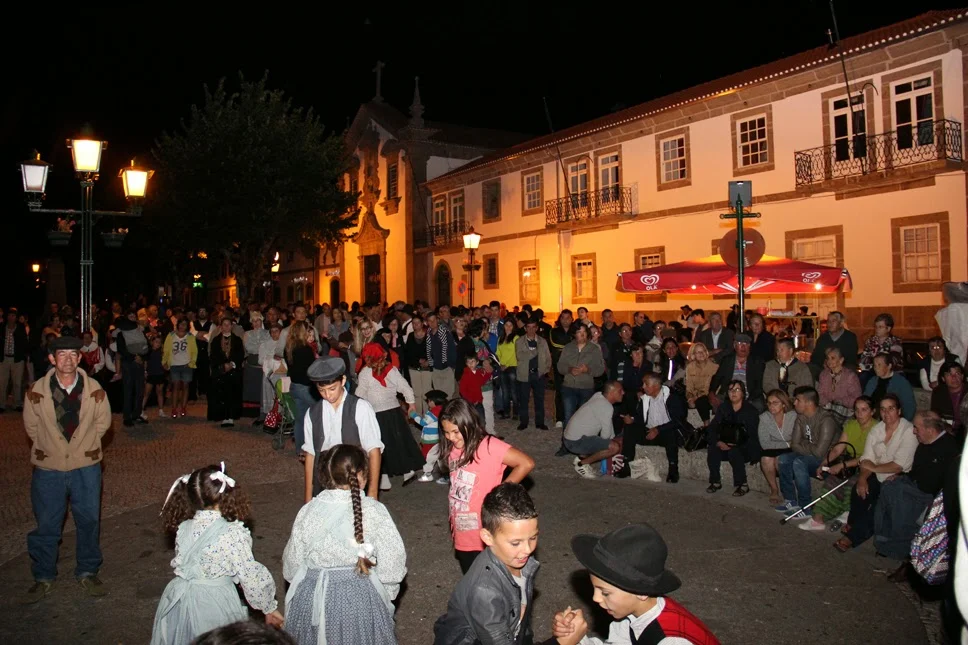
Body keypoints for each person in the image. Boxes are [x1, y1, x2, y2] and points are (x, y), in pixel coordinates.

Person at [283, 444, 407, 645]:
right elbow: (393, 562)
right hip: (359, 600)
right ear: (361, 475)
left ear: (325, 475)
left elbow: (292, 564)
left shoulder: (308, 510)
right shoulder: (374, 510)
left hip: (313, 597)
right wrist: (386, 594)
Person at [21, 336, 112, 603]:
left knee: (88, 520)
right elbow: (32, 427)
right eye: (62, 354)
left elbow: (103, 423)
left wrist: (86, 444)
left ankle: (87, 569)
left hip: (86, 466)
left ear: (80, 358)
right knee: (47, 523)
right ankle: (43, 575)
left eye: (73, 354)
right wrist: (53, 448)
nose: (68, 359)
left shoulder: (95, 389)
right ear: (52, 358)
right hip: (49, 467)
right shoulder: (36, 391)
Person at [434, 483, 581, 645]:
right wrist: (560, 643)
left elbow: (520, 618)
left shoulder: (518, 561)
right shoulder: (484, 592)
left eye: (533, 538)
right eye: (515, 543)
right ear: (487, 537)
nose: (527, 550)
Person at [152, 463, 283, 644]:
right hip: (214, 601)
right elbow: (249, 573)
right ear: (225, 493)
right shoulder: (232, 532)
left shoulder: (184, 527)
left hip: (182, 600)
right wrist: (268, 607)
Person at [565, 523, 720, 644]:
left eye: (605, 592)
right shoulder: (633, 612)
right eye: (595, 589)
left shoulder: (670, 640)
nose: (595, 598)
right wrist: (574, 639)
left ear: (641, 593)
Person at [438, 398, 535, 573]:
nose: (451, 437)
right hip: (462, 530)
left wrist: (498, 494)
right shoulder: (453, 448)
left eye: (455, 432)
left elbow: (526, 463)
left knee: (493, 585)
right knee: (472, 581)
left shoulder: (489, 446)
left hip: (485, 530)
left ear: (469, 424)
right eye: (446, 432)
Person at [833, 393, 918, 552]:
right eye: (883, 409)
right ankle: (853, 524)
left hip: (899, 476)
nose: (887, 413)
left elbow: (899, 465)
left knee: (880, 505)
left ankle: (851, 538)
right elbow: (867, 458)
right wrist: (863, 477)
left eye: (891, 409)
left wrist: (873, 468)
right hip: (877, 472)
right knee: (859, 490)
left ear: (899, 411)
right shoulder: (877, 430)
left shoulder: (907, 431)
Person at [301, 356, 384, 502]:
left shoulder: (360, 408)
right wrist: (308, 499)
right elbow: (310, 455)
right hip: (324, 483)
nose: (328, 395)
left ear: (343, 381)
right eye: (322, 390)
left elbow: (374, 450)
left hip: (352, 480)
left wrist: (373, 493)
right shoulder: (312, 413)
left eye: (332, 389)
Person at [798, 396, 878, 532]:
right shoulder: (851, 425)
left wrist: (842, 465)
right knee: (831, 481)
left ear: (872, 411)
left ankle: (847, 514)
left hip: (868, 466)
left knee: (851, 483)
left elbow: (869, 456)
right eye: (857, 410)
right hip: (849, 463)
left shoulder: (877, 428)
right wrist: (824, 464)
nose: (859, 414)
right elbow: (837, 449)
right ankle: (818, 518)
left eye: (864, 410)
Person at [356, 342, 424, 490]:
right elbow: (405, 386)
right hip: (393, 413)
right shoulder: (391, 370)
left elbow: (359, 394)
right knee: (399, 442)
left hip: (375, 416)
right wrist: (411, 403)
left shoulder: (365, 373)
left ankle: (383, 478)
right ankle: (407, 471)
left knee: (379, 445)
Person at [775, 386, 839, 518]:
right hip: (809, 455)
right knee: (783, 459)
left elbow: (820, 452)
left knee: (799, 462)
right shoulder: (801, 417)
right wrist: (809, 447)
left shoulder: (826, 420)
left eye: (798, 400)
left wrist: (805, 445)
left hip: (827, 461)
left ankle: (806, 506)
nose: (794, 403)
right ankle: (790, 500)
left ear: (809, 403)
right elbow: (794, 445)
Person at [617, 372, 689, 483]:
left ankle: (673, 470)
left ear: (656, 385)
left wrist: (658, 429)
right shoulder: (645, 399)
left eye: (646, 384)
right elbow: (641, 419)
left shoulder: (672, 397)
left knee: (671, 433)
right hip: (650, 431)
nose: (643, 387)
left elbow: (678, 421)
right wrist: (632, 420)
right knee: (629, 429)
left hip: (665, 432)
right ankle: (626, 466)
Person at [705, 379, 759, 496]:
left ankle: (743, 484)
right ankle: (715, 481)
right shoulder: (724, 408)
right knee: (713, 449)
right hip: (725, 444)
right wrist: (718, 441)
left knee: (735, 452)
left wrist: (734, 445)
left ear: (743, 393)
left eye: (737, 390)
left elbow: (752, 436)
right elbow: (713, 427)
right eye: (730, 390)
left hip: (745, 447)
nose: (733, 393)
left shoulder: (750, 411)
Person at [565, 381, 625, 479]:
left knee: (606, 440)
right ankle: (582, 464)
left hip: (570, 437)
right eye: (620, 391)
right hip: (575, 442)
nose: (623, 393)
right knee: (614, 447)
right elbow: (605, 437)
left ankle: (581, 457)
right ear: (611, 393)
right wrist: (614, 442)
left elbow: (607, 427)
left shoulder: (598, 396)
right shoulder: (606, 406)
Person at [515, 318, 552, 431]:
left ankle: (540, 422)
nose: (531, 330)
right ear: (525, 328)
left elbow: (548, 357)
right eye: (528, 327)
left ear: (537, 328)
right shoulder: (519, 341)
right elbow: (520, 356)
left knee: (539, 399)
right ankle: (524, 422)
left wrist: (545, 370)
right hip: (524, 374)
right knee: (524, 399)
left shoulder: (542, 341)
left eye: (533, 327)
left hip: (539, 374)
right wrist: (534, 352)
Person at [208, 317, 245, 428]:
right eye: (224, 324)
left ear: (231, 326)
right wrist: (223, 365)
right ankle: (223, 416)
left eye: (228, 324)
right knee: (221, 394)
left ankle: (231, 416)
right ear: (221, 326)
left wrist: (232, 364)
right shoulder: (215, 340)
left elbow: (240, 354)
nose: (226, 327)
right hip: (221, 371)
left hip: (233, 371)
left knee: (232, 394)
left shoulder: (237, 340)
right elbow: (213, 355)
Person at [411, 389, 449, 484]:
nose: (428, 403)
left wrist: (414, 415)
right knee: (440, 457)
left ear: (432, 401)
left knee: (428, 457)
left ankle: (427, 474)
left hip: (431, 440)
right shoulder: (441, 410)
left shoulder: (435, 411)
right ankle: (446, 475)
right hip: (437, 438)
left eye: (428, 401)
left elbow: (424, 422)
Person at [163, 319, 197, 418]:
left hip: (186, 365)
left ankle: (183, 408)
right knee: (175, 386)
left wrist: (191, 362)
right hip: (174, 364)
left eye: (185, 325)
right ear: (177, 325)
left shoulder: (190, 337)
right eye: (181, 324)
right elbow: (166, 349)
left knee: (185, 386)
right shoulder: (171, 335)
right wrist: (164, 362)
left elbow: (194, 351)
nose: (182, 326)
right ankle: (174, 408)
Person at [143, 335, 168, 417]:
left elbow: (164, 363)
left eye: (160, 342)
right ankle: (141, 410)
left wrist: (166, 367)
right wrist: (145, 371)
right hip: (151, 374)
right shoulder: (148, 352)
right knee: (146, 393)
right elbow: (145, 362)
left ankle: (161, 410)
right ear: (152, 342)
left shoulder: (161, 352)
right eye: (156, 342)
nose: (158, 344)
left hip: (160, 374)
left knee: (160, 393)